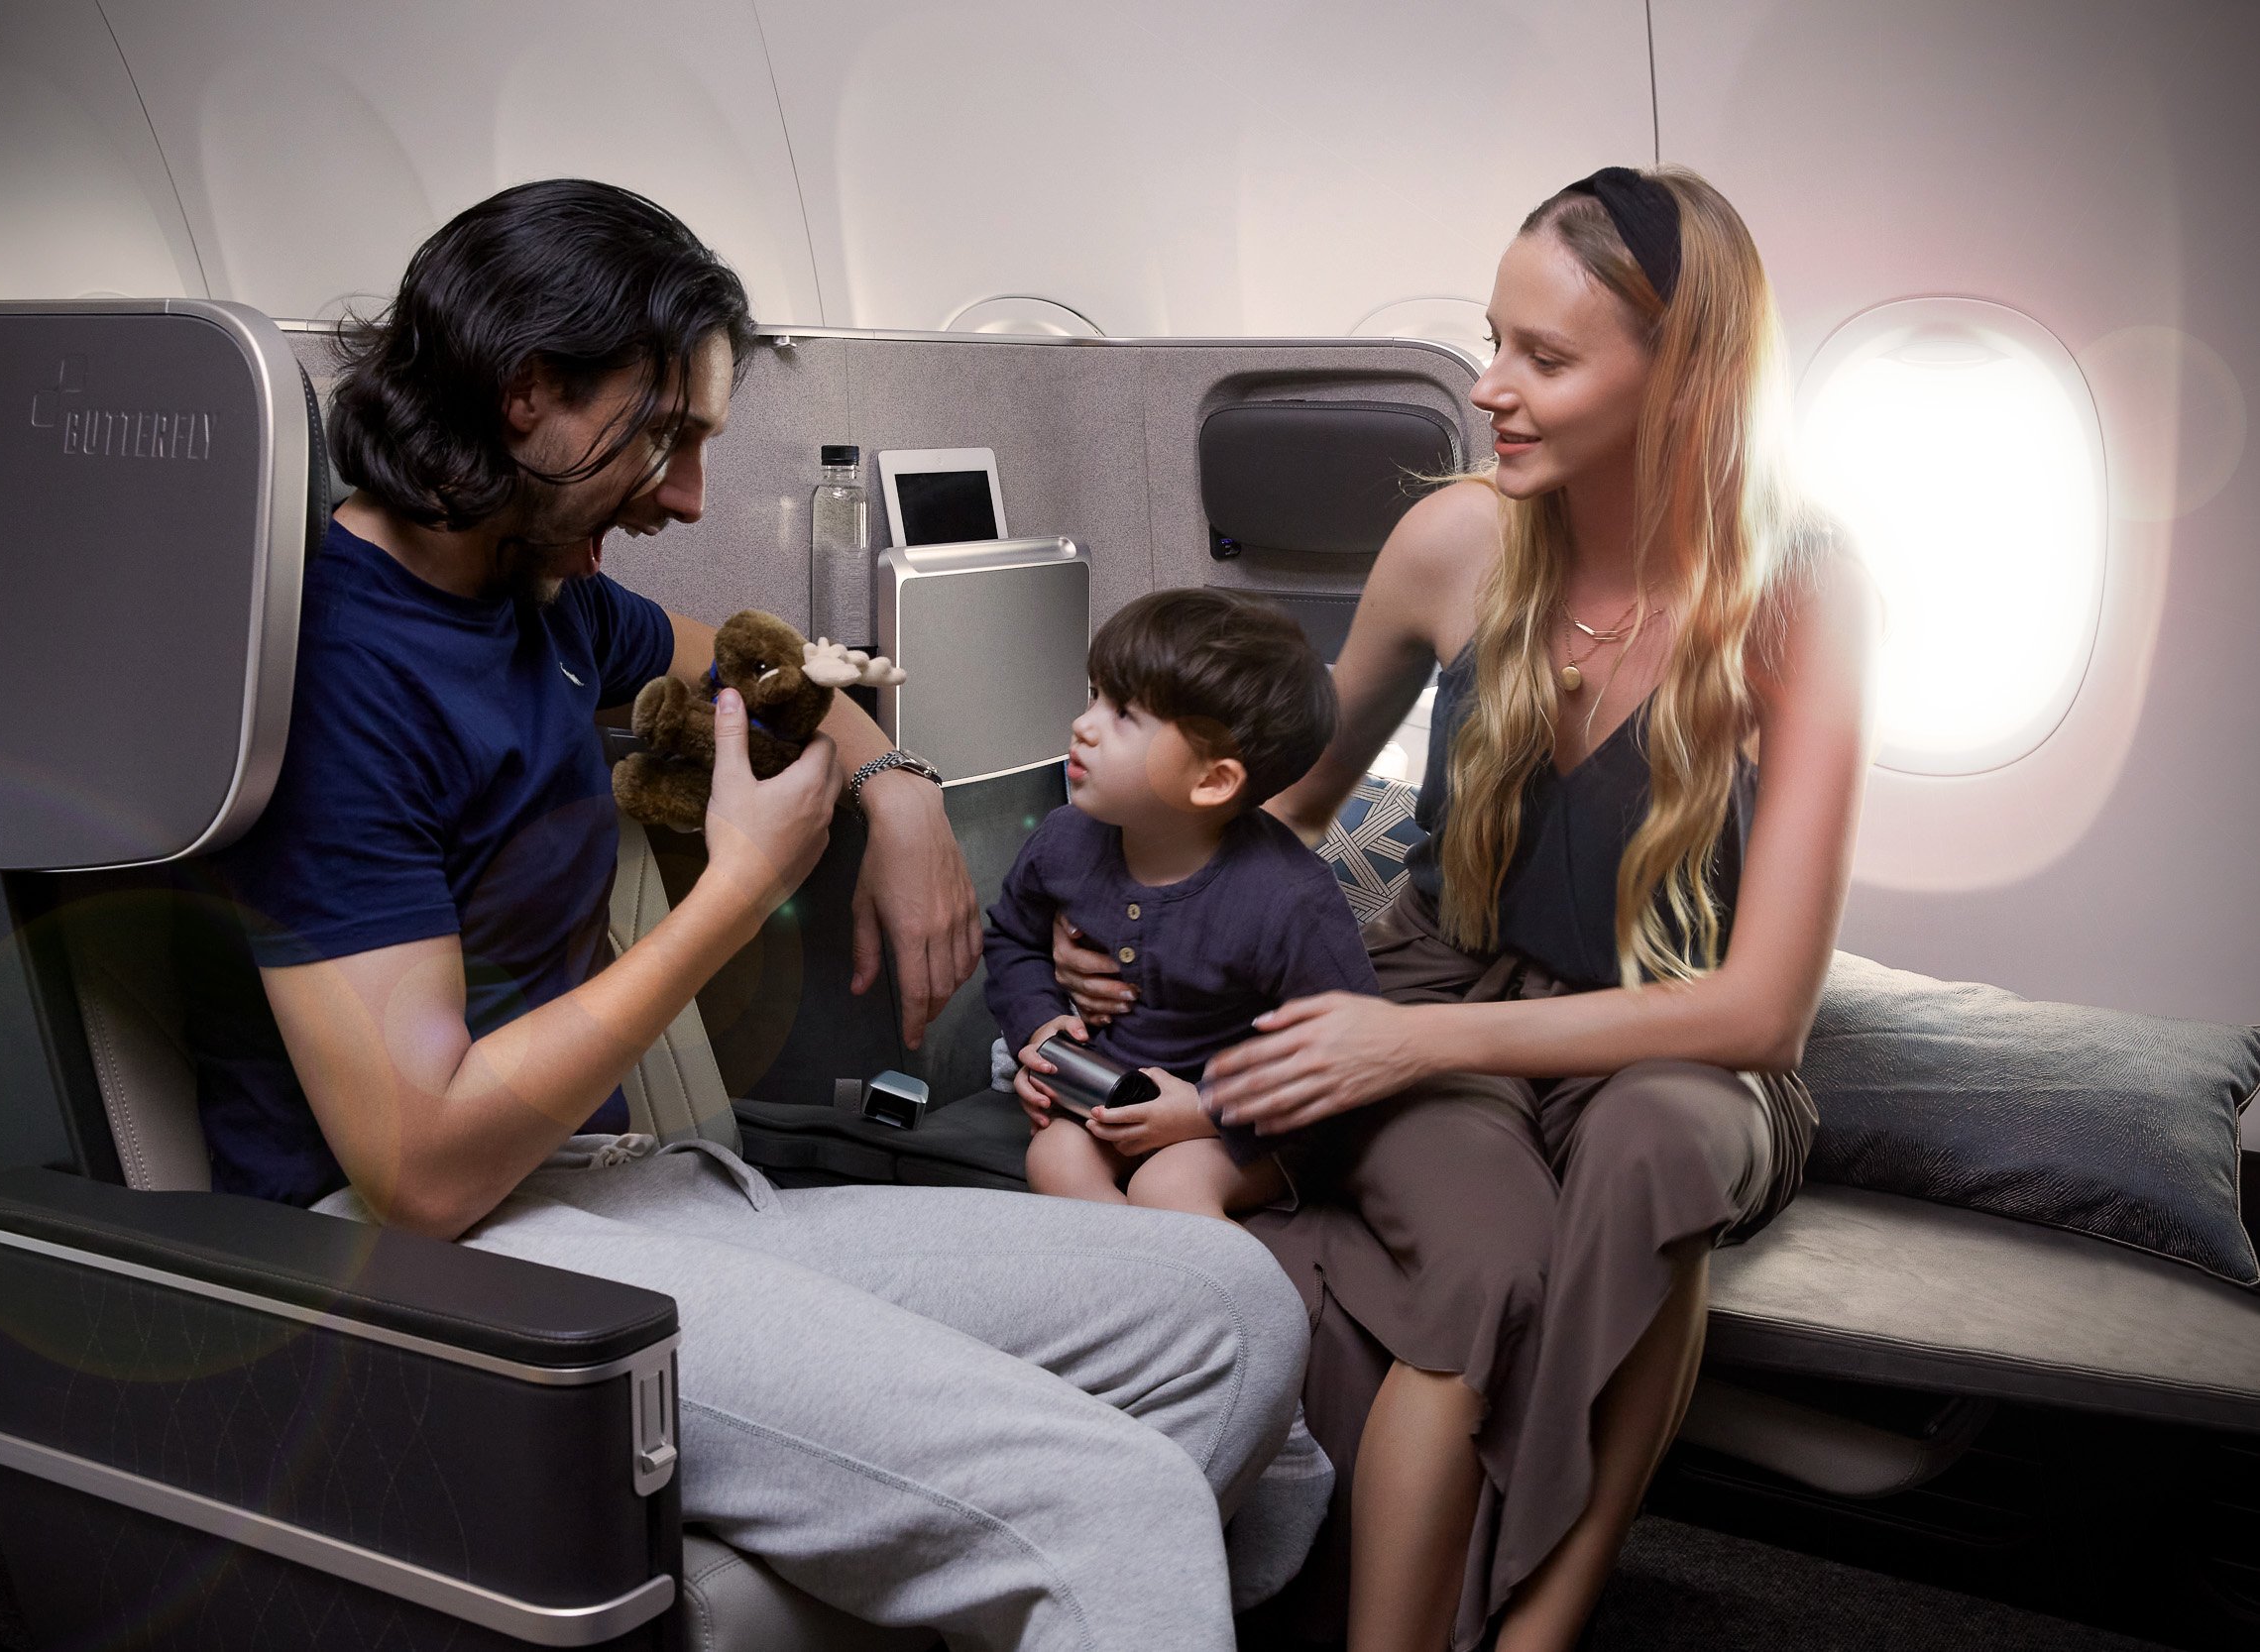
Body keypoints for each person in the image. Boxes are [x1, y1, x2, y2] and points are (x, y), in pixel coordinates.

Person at [188, 178, 1312, 1650]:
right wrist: (733, 892)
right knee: (1112, 1497)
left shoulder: (542, 599)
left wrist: (897, 788)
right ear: (527, 395)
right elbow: (422, 1166)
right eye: (668, 435)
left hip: (611, 1188)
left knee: (1233, 1306)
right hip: (422, 1259)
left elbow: (762, 668)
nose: (688, 498)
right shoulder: (341, 671)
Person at [1051, 165, 1878, 1651]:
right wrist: (1133, 916)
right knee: (1477, 1250)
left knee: (1650, 1146)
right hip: (1447, 984)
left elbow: (1765, 1010)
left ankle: (1542, 1616)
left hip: (1676, 1034)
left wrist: (1406, 1046)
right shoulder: (1453, 541)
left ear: (1681, 375)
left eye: (1544, 358)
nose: (1489, 387)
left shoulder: (1802, 586)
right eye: (1493, 338)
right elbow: (1291, 805)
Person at [987, 588, 1376, 1221]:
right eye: (1094, 695)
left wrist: (1205, 1113)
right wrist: (1041, 1026)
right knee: (1054, 1158)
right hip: (1112, 1094)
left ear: (1212, 780)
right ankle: (1125, 1278)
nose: (1083, 724)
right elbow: (1013, 938)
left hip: (1247, 1123)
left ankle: (1215, 1285)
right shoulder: (1064, 839)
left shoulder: (1287, 900)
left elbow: (1348, 1053)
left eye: (1123, 714)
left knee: (1168, 1188)